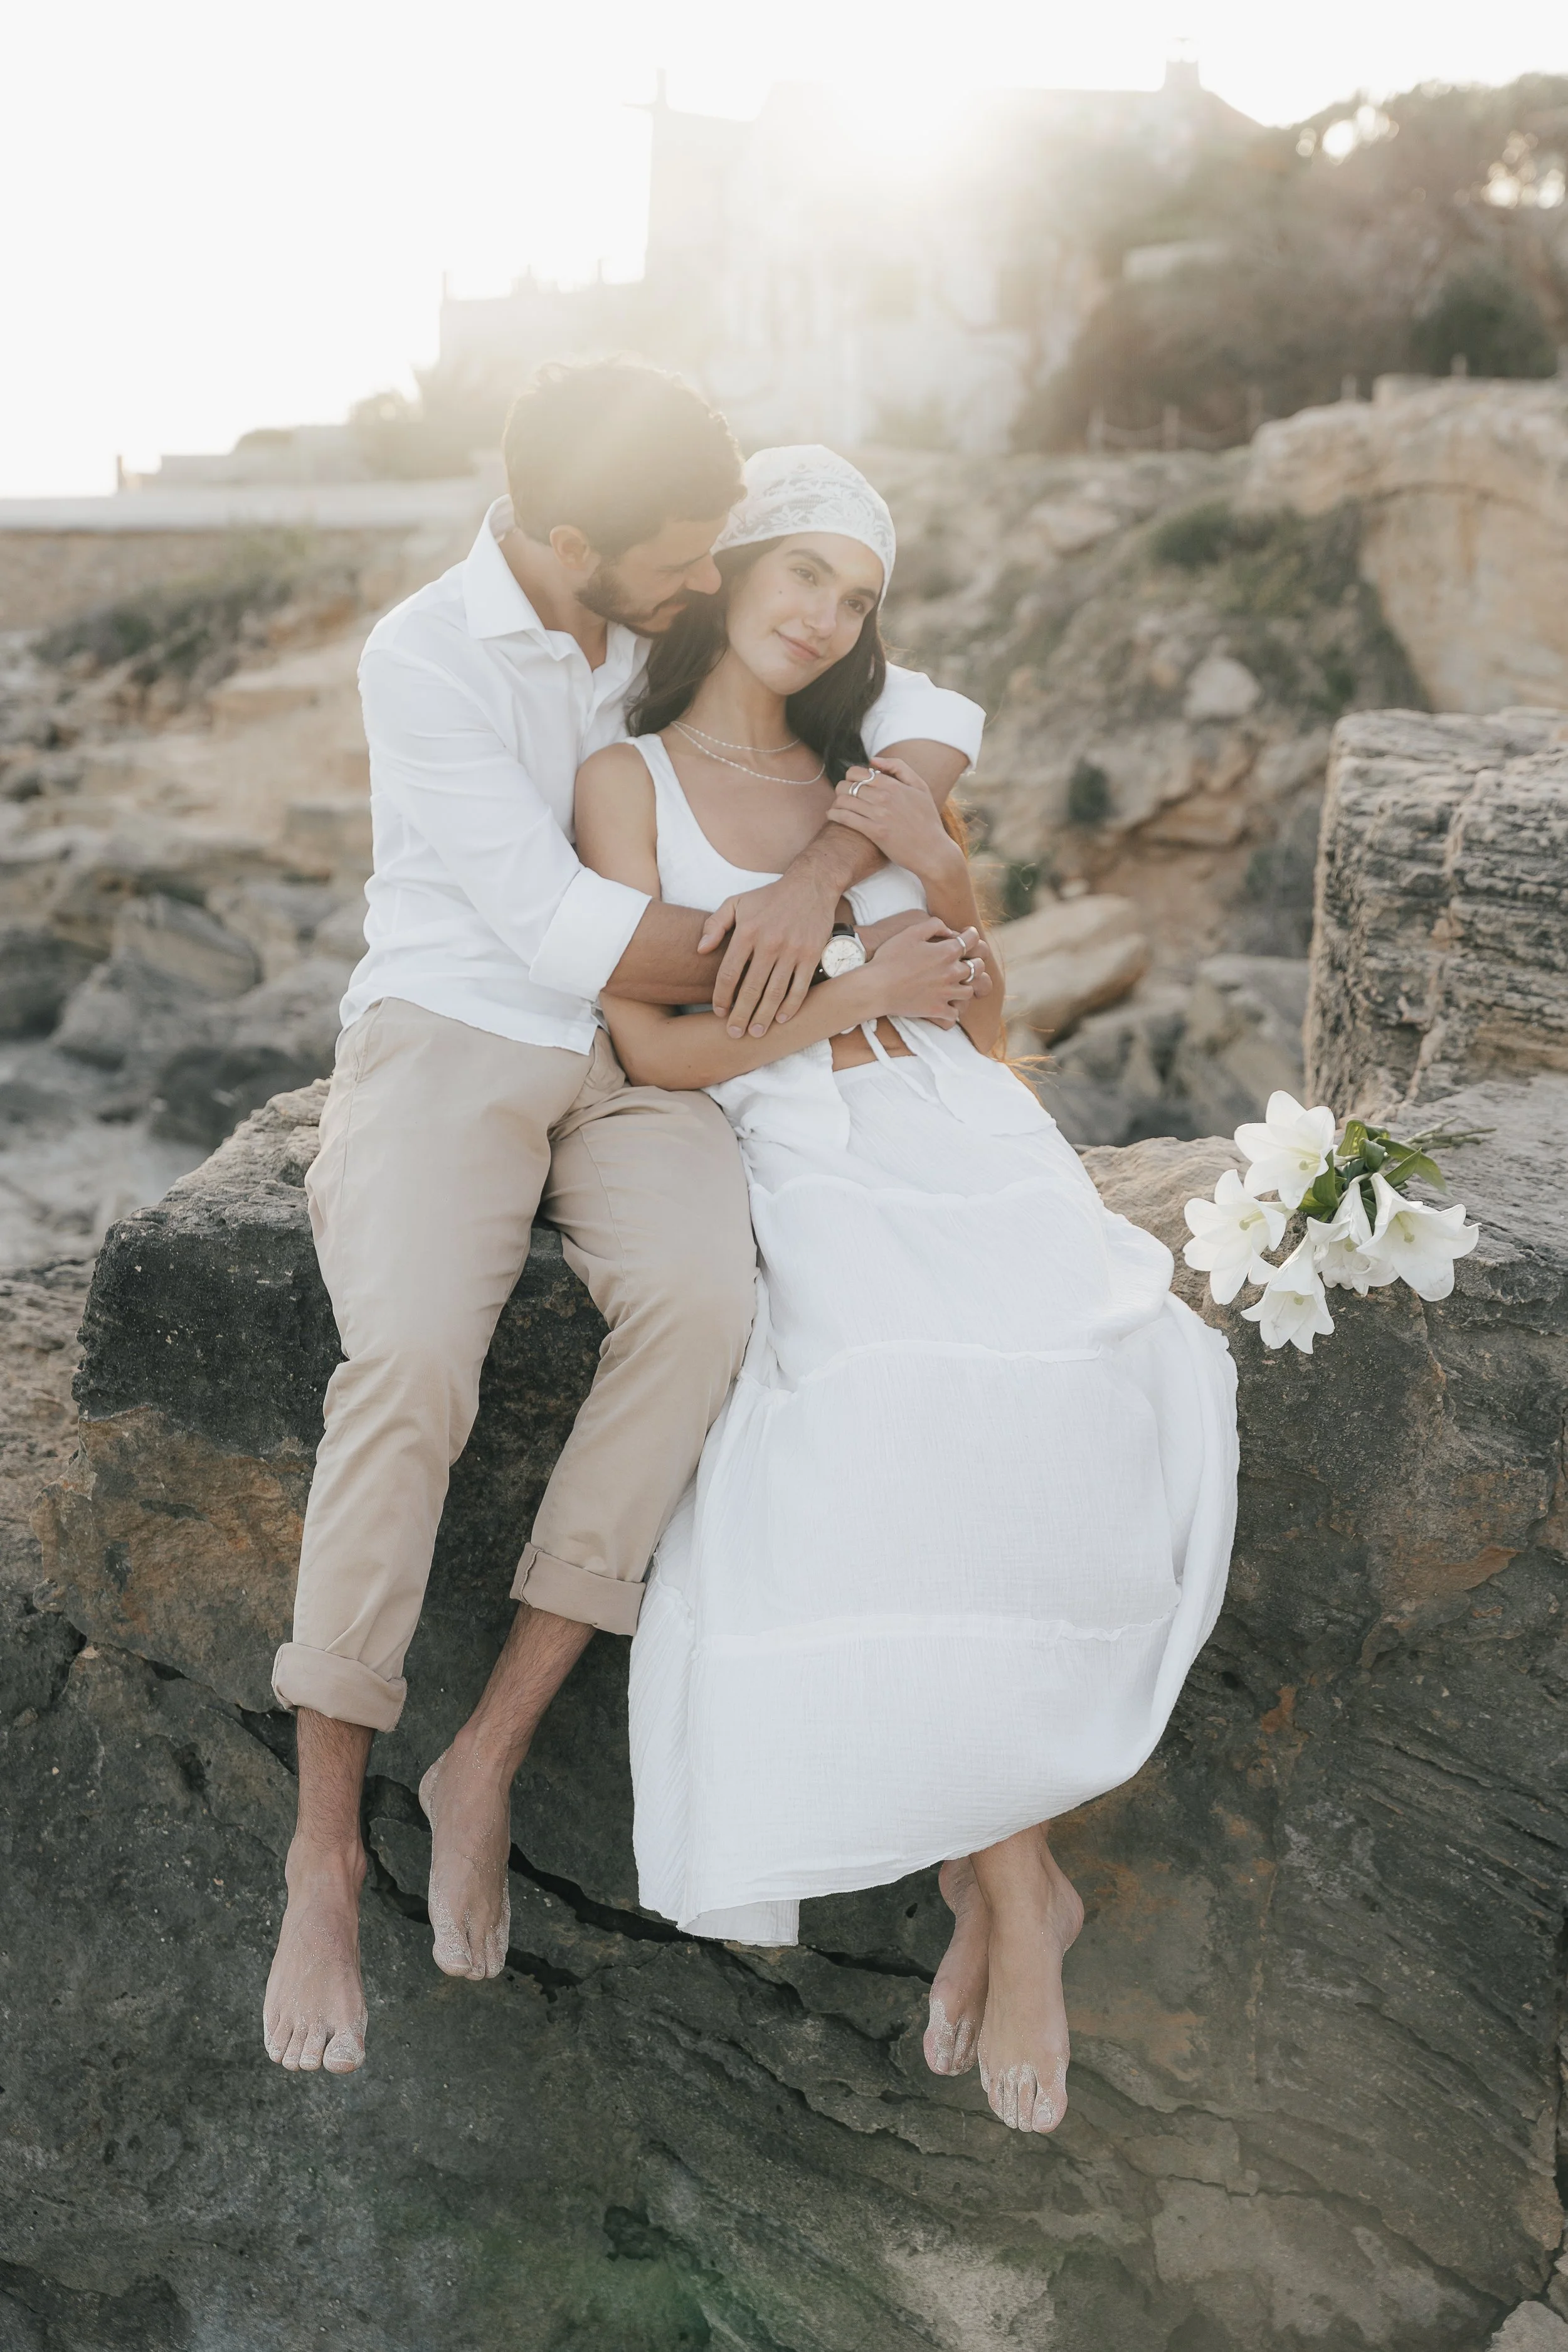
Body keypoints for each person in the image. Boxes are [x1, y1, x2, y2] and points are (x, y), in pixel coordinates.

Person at [262, 365, 988, 2075]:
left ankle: (489, 1751)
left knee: (703, 1308)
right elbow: (547, 923)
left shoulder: (659, 579)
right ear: (573, 542)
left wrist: (815, 871)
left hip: (648, 1070)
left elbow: (918, 685)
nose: (700, 587)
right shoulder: (423, 656)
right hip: (461, 1021)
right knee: (416, 1361)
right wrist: (830, 961)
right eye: (673, 567)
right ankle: (318, 1836)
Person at [574, 445, 1239, 2136]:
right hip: (796, 1130)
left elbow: (985, 1003)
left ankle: (1003, 1880)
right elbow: (653, 1043)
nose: (824, 617)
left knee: (1077, 1354)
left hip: (953, 1114)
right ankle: (1019, 1893)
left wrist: (926, 882)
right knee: (882, 1380)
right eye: (802, 574)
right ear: (725, 569)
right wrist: (848, 978)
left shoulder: (872, 760)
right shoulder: (625, 777)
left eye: (857, 596)